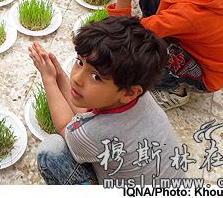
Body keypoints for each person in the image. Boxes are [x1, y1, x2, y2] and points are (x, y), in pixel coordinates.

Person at [31, 17, 185, 185]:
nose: (76, 78)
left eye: (96, 77)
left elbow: (65, 128)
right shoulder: (138, 95)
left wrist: (48, 79)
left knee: (51, 151)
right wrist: (58, 73)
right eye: (79, 62)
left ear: (129, 92)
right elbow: (86, 111)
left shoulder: (95, 133)